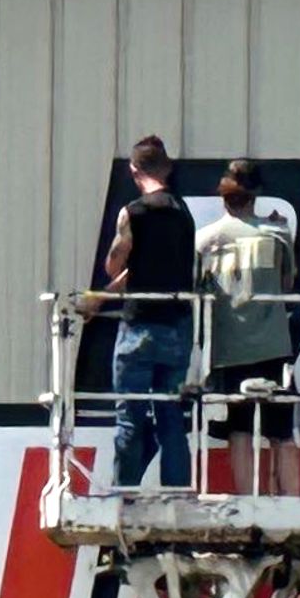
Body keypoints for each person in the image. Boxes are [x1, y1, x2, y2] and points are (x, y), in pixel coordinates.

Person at [99, 136, 201, 488]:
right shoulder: (183, 213)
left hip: (139, 328)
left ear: (133, 170)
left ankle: (123, 494)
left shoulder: (133, 213)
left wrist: (107, 283)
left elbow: (115, 265)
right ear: (167, 169)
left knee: (130, 420)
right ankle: (177, 493)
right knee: (171, 418)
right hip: (177, 328)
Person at [196, 158, 300, 487]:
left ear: (223, 196)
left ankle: (244, 499)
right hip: (274, 347)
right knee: (282, 434)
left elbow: (198, 290)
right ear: (255, 195)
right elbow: (287, 284)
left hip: (229, 351)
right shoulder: (278, 234)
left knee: (239, 432)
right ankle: (290, 503)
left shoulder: (204, 240)